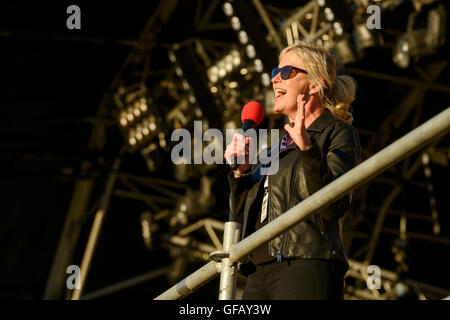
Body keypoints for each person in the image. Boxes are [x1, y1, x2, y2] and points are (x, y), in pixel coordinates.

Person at [224, 42, 361, 300]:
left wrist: (308, 148)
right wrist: (240, 175)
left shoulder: (337, 133)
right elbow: (242, 221)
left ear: (313, 85)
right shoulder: (273, 152)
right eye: (276, 70)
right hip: (259, 270)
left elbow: (334, 205)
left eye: (286, 71)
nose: (275, 77)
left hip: (306, 262)